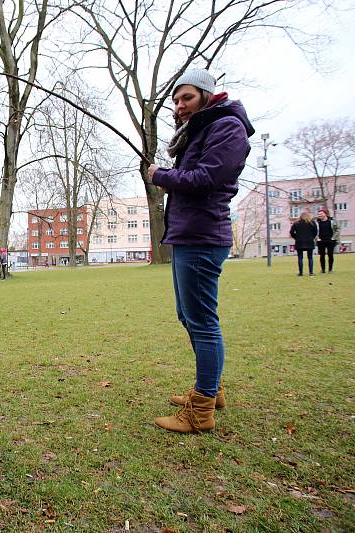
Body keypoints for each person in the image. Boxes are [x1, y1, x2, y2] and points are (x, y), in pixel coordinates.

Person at [146, 69, 254, 433]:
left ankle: (201, 409)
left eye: (187, 98)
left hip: (203, 236)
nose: (179, 106)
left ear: (207, 95)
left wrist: (161, 175)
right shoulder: (205, 128)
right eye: (176, 101)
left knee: (203, 322)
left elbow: (206, 179)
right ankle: (212, 389)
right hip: (188, 235)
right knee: (189, 316)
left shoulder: (227, 127)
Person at [290, 212, 317, 276]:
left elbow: (291, 232)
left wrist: (296, 237)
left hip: (299, 242)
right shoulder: (312, 223)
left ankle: (301, 272)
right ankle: (311, 272)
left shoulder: (296, 223)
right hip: (309, 241)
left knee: (300, 258)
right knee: (310, 257)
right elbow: (315, 232)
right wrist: (311, 237)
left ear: (300, 217)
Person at [315, 208, 339, 273]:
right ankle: (323, 270)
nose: (319, 215)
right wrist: (317, 238)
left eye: (321, 214)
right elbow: (314, 231)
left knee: (330, 254)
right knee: (322, 255)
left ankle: (330, 269)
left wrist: (333, 238)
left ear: (325, 214)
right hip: (321, 241)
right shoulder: (317, 222)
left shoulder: (332, 221)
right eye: (318, 214)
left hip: (330, 241)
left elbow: (337, 229)